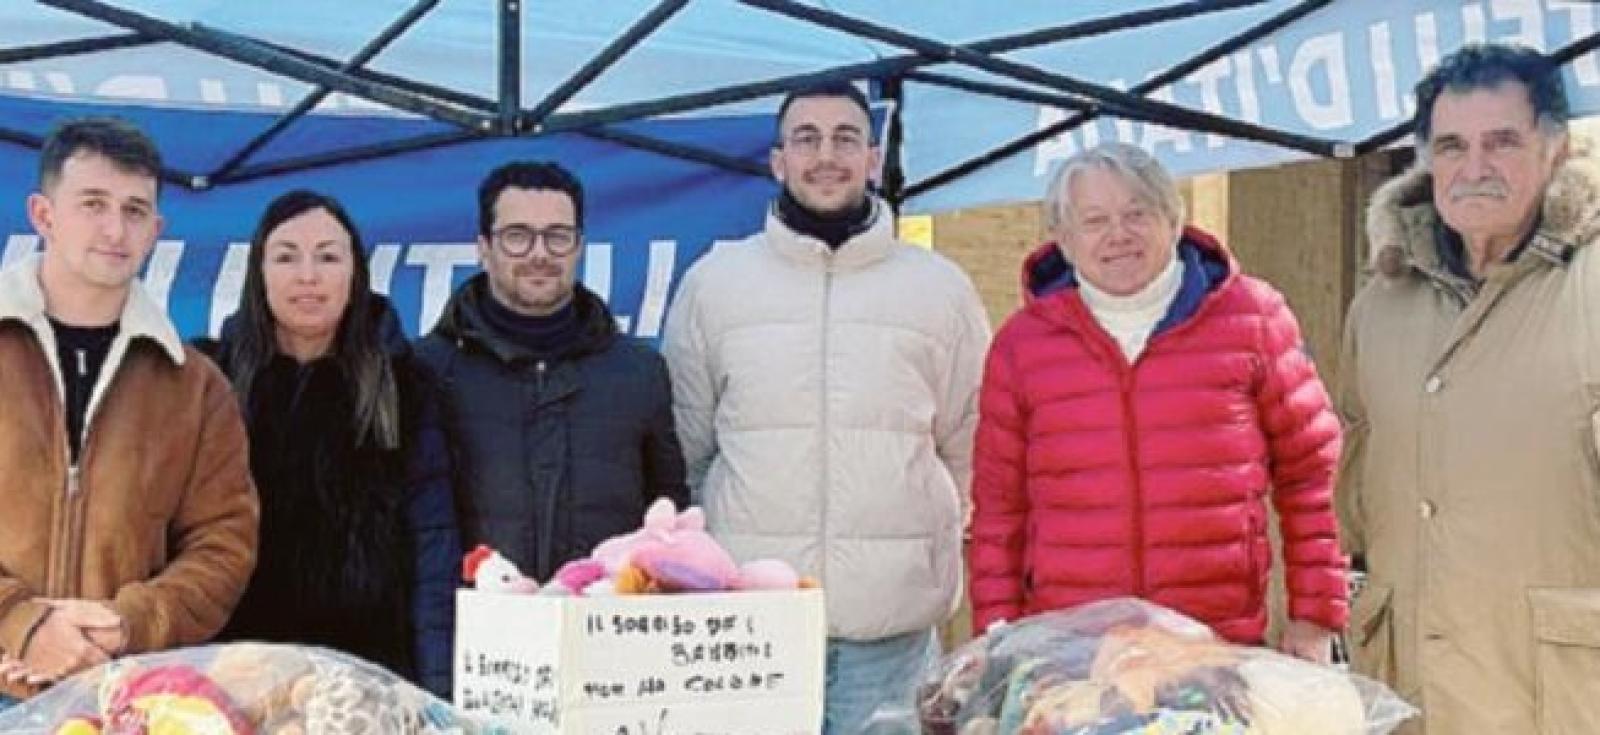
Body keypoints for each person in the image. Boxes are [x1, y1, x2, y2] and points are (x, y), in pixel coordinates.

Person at [662, 81, 991, 734]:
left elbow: (969, 442)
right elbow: (689, 446)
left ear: (873, 158)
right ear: (778, 160)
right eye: (806, 139)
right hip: (751, 629)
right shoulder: (714, 283)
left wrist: (913, 547)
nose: (826, 156)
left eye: (846, 138)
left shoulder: (939, 288)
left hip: (890, 634)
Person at [967, 142, 1347, 661]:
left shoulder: (1254, 318)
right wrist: (996, 637)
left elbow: (1308, 479)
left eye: (1136, 213)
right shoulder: (1021, 345)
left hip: (1215, 646)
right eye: (1094, 220)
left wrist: (1315, 615)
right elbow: (998, 512)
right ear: (1063, 239)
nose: (1118, 235)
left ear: (1173, 219)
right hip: (1074, 657)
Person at [1338, 43, 1600, 733]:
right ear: (1425, 157)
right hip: (1409, 700)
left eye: (1502, 142)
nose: (1474, 168)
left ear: (1554, 147)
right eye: (1452, 145)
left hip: (1560, 705)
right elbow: (1353, 500)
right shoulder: (1379, 305)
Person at [0, 118, 258, 709]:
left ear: (156, 229)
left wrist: (130, 622)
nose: (116, 228)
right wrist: (23, 622)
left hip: (120, 698)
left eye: (135, 210)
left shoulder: (195, 385)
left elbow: (225, 542)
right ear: (43, 215)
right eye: (93, 203)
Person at [197, 190, 459, 698]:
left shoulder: (406, 385)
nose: (308, 276)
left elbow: (433, 544)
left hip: (369, 678)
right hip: (236, 675)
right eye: (287, 256)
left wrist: (435, 693)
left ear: (355, 273)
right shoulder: (212, 379)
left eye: (328, 256)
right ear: (259, 272)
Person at [415, 161, 687, 584]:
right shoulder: (426, 370)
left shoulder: (639, 372)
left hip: (605, 634)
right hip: (472, 636)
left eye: (557, 236)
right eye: (517, 236)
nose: (539, 253)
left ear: (579, 246)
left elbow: (670, 527)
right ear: (483, 247)